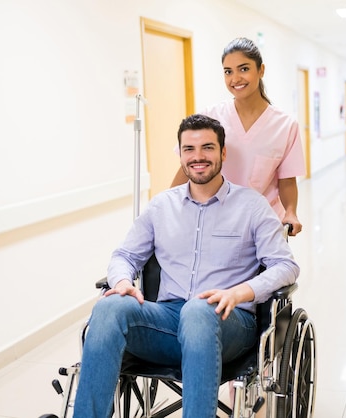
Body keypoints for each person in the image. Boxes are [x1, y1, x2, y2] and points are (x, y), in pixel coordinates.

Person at [73, 114, 300, 418]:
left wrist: (239, 293)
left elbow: (285, 266)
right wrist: (122, 281)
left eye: (207, 148)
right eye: (189, 149)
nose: (198, 157)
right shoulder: (161, 206)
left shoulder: (251, 206)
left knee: (197, 309)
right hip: (167, 321)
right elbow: (124, 256)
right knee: (109, 307)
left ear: (223, 153)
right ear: (180, 155)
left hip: (229, 323)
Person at [171, 37, 306, 236]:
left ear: (261, 70)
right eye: (228, 72)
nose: (235, 79)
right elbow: (188, 166)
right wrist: (165, 206)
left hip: (263, 225)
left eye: (244, 69)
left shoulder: (285, 125)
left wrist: (291, 213)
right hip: (213, 221)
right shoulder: (211, 117)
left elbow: (287, 180)